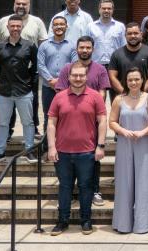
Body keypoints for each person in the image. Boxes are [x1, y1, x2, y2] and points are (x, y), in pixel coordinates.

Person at [46, 62, 108, 236]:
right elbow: (51, 123)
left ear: (86, 76)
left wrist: (100, 146)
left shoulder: (95, 96)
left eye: (81, 75)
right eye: (75, 75)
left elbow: (102, 121)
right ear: (69, 76)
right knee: (64, 187)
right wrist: (51, 147)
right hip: (63, 152)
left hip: (87, 152)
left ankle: (86, 221)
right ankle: (62, 221)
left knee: (86, 187)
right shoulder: (59, 97)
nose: (78, 78)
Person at [55, 37, 111, 207]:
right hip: (70, 119)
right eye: (82, 47)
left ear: (93, 49)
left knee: (94, 158)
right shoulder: (67, 69)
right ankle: (68, 193)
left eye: (88, 47)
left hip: (92, 119)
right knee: (67, 159)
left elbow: (103, 92)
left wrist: (93, 108)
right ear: (77, 49)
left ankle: (95, 191)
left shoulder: (100, 69)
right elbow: (61, 92)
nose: (85, 50)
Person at [0, 0, 47, 138]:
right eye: (18, 3)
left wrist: (38, 68)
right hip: (7, 72)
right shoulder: (3, 21)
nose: (21, 6)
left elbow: (42, 44)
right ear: (14, 4)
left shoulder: (37, 21)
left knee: (31, 101)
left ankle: (33, 129)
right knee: (8, 102)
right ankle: (8, 130)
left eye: (24, 4)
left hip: (29, 72)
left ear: (29, 6)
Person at [110, 69, 148, 234]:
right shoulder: (119, 99)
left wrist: (143, 132)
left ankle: (143, 224)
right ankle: (123, 223)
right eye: (130, 80)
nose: (133, 82)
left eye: (137, 79)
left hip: (143, 143)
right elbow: (112, 122)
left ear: (142, 80)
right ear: (126, 81)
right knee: (124, 182)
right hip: (124, 142)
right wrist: (122, 131)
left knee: (143, 182)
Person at [0, 15, 38, 164]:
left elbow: (35, 68)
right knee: (3, 123)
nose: (15, 28)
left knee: (28, 122)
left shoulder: (30, 45)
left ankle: (29, 150)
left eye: (18, 26)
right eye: (12, 26)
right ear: (7, 27)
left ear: (22, 27)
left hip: (24, 91)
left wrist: (29, 84)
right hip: (4, 92)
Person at [37, 16, 77, 131]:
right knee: (48, 115)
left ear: (66, 27)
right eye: (56, 24)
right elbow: (40, 65)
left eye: (61, 24)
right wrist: (51, 81)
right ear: (52, 27)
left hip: (67, 87)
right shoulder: (44, 45)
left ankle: (66, 143)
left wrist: (61, 82)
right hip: (48, 87)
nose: (59, 27)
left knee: (67, 115)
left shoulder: (72, 45)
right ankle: (47, 144)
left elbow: (74, 65)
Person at [87, 0, 126, 99]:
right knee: (97, 99)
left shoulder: (120, 26)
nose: (106, 11)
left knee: (118, 98)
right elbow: (86, 46)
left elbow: (124, 47)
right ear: (99, 9)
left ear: (113, 10)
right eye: (104, 8)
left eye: (109, 8)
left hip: (115, 67)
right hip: (96, 66)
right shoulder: (90, 26)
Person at [109, 22, 148, 97]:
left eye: (136, 33)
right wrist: (126, 94)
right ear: (125, 35)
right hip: (122, 98)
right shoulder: (116, 54)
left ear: (141, 34)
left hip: (145, 97)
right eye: (129, 34)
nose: (133, 36)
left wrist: (141, 93)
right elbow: (112, 77)